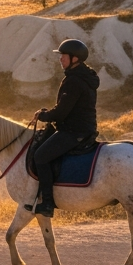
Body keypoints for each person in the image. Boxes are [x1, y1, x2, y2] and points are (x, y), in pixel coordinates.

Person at [26, 39, 100, 218]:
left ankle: (48, 203)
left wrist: (44, 115)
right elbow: (66, 108)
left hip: (74, 131)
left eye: (63, 56)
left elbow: (61, 112)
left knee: (41, 156)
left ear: (74, 58)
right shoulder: (86, 77)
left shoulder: (73, 81)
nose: (60, 59)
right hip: (85, 128)